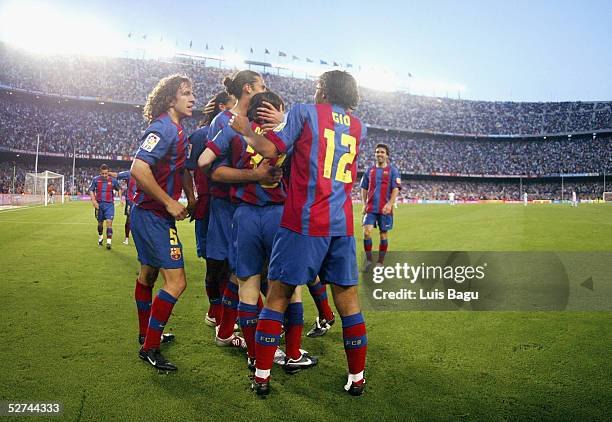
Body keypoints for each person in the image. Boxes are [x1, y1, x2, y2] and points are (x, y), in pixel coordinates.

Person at [230, 70, 368, 396]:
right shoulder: (360, 126)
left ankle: (262, 376)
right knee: (348, 300)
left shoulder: (305, 112)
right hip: (342, 224)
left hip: (304, 221)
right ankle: (357, 377)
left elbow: (269, 149)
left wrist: (246, 129)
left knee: (278, 294)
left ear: (323, 89)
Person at [200, 91, 315, 373]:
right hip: (279, 215)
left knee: (247, 288)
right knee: (290, 289)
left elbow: (204, 162)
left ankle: (253, 355)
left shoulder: (234, 130)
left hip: (245, 214)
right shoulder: (287, 135)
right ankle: (292, 353)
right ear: (277, 109)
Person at [130, 74, 196, 371]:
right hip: (153, 215)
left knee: (148, 275)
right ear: (171, 99)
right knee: (177, 282)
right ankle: (150, 347)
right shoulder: (162, 128)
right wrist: (170, 202)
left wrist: (190, 197)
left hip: (152, 215)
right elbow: (138, 168)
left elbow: (180, 169)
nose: (191, 98)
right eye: (185, 93)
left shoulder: (178, 130)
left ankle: (147, 333)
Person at [204, 70, 270, 349]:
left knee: (242, 272)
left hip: (251, 207)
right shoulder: (224, 121)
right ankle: (248, 337)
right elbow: (213, 171)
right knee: (239, 272)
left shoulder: (258, 121)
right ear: (247, 89)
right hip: (228, 208)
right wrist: (255, 177)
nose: (266, 91)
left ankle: (227, 329)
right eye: (262, 86)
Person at [186, 92, 236, 327]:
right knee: (214, 263)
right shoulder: (200, 135)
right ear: (222, 106)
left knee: (229, 264)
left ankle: (223, 314)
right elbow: (186, 169)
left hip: (231, 204)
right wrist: (192, 198)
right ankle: (216, 312)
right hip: (209, 203)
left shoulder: (239, 132)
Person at [360, 143, 401, 271]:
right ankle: (369, 260)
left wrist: (390, 204)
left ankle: (380, 262)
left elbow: (396, 188)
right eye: (377, 152)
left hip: (385, 209)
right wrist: (364, 203)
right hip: (371, 208)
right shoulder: (369, 170)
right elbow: (364, 187)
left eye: (382, 152)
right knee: (366, 233)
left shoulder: (392, 170)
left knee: (383, 235)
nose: (379, 154)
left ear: (387, 155)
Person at [88, 164, 121, 249]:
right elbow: (91, 190)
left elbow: (119, 188)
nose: (104, 175)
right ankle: (100, 237)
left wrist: (121, 199)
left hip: (109, 205)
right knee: (100, 224)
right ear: (100, 172)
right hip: (99, 205)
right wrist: (94, 201)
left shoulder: (113, 180)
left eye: (106, 173)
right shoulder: (96, 180)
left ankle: (109, 242)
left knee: (109, 223)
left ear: (108, 172)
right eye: (102, 173)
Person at [114, 170, 135, 244]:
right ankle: (126, 238)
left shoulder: (145, 174)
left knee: (141, 220)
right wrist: (108, 173)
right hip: (130, 201)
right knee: (128, 219)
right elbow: (117, 175)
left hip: (140, 200)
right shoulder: (129, 174)